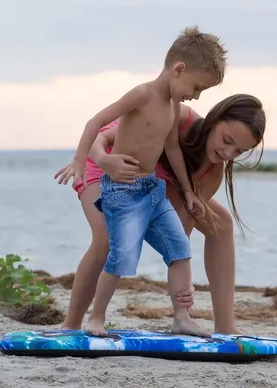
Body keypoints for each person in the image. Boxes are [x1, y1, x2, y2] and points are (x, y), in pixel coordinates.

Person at [54, 26, 228, 337]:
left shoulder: (173, 107)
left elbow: (172, 148)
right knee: (119, 255)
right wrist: (85, 161)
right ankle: (96, 317)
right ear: (179, 69)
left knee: (180, 249)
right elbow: (96, 122)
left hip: (152, 189)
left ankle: (182, 318)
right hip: (121, 190)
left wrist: (189, 192)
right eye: (197, 87)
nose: (196, 96)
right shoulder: (142, 95)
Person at [56, 93, 266, 335]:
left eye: (239, 151)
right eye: (226, 140)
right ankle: (71, 324)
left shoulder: (213, 172)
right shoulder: (180, 118)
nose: (229, 153)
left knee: (220, 224)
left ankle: (225, 325)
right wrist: (105, 160)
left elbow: (180, 232)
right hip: (109, 164)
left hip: (156, 183)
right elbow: (100, 136)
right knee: (105, 237)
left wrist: (182, 284)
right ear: (214, 119)